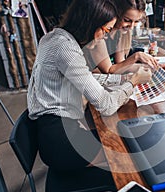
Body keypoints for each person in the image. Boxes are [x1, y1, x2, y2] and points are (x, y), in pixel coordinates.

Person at [27, 0, 152, 171]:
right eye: (105, 30)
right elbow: (106, 105)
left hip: (52, 131)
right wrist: (133, 82)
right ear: (90, 22)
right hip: (61, 143)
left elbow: (86, 79)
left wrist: (124, 80)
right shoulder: (67, 50)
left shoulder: (56, 38)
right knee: (133, 153)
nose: (104, 37)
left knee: (127, 136)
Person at [83, 0, 160, 74]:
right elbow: (109, 70)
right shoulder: (100, 33)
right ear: (116, 14)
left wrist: (150, 66)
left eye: (136, 21)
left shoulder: (120, 33)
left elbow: (121, 64)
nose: (132, 27)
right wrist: (137, 56)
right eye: (127, 20)